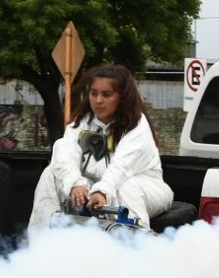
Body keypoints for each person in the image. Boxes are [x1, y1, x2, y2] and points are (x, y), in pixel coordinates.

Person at [28, 64, 174, 230]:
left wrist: (102, 191)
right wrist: (75, 183)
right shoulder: (82, 122)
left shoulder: (137, 125)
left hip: (143, 187)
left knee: (127, 189)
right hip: (95, 186)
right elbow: (65, 152)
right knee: (50, 174)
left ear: (122, 97)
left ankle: (136, 248)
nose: (98, 100)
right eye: (93, 93)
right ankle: (41, 245)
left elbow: (122, 167)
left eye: (106, 94)